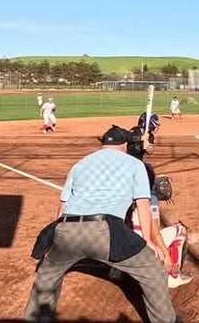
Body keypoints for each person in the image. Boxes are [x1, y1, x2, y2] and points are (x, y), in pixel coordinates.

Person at [24, 125, 178, 322]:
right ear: (124, 145)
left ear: (103, 145)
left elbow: (62, 208)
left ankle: (36, 319)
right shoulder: (134, 164)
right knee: (153, 271)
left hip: (66, 229)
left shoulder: (80, 164)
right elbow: (143, 204)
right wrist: (147, 240)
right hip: (105, 230)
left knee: (47, 275)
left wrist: (57, 238)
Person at [120, 162, 193, 289]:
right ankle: (173, 275)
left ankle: (119, 272)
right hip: (142, 250)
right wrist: (167, 257)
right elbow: (155, 235)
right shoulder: (148, 200)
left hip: (122, 251)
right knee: (180, 229)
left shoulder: (121, 196)